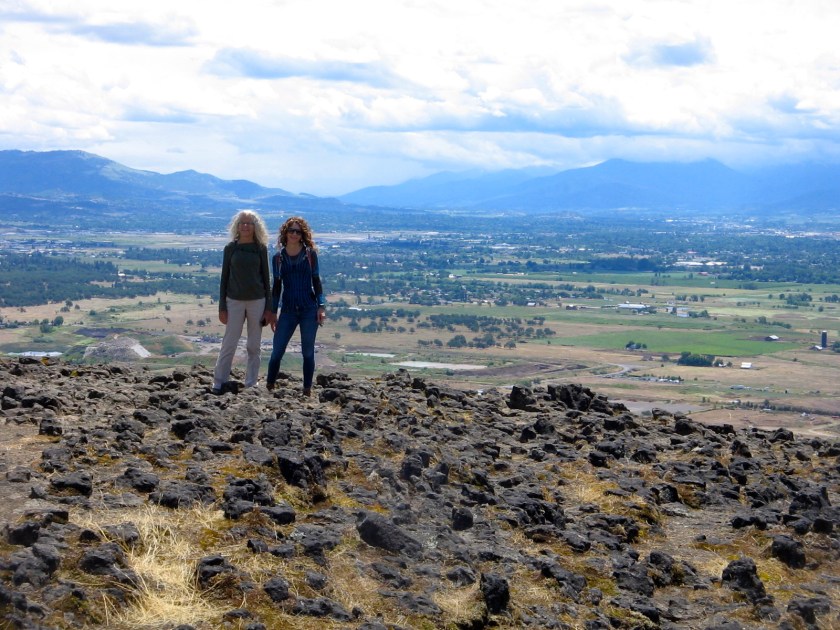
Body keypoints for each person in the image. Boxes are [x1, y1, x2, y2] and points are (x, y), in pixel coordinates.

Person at [211, 210, 274, 394]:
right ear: (237, 226)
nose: (245, 226)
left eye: (249, 223)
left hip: (257, 301)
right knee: (229, 343)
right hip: (234, 301)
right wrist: (222, 307)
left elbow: (266, 279)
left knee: (254, 345)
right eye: (242, 223)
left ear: (255, 227)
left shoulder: (260, 248)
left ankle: (251, 383)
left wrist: (269, 308)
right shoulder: (231, 248)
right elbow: (224, 278)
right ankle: (219, 382)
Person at [266, 216, 326, 396]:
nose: (294, 234)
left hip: (309, 309)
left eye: (297, 231)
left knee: (307, 352)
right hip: (288, 310)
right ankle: (269, 386)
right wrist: (273, 311)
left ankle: (307, 390)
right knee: (277, 350)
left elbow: (316, 280)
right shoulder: (278, 258)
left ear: (302, 235)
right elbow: (277, 286)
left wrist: (321, 306)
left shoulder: (310, 255)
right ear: (285, 233)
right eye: (291, 230)